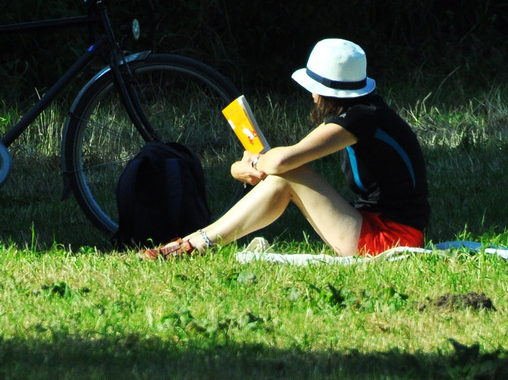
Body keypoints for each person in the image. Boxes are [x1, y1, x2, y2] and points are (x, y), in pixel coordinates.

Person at [142, 38, 429, 259]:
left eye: (314, 89)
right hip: (375, 225)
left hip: (391, 238)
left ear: (324, 91)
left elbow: (284, 161)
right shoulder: (364, 113)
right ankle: (197, 242)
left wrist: (253, 164)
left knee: (290, 173)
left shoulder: (360, 119)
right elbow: (276, 162)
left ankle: (196, 243)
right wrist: (247, 165)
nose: (312, 96)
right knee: (284, 175)